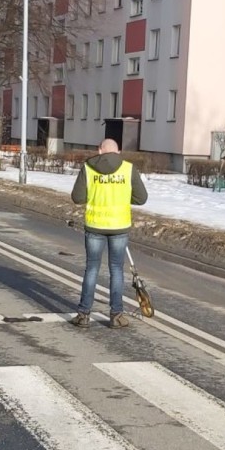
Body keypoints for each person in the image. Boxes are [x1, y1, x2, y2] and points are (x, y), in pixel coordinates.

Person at [70, 138, 148, 329]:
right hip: (119, 226)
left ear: (99, 150)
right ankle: (116, 315)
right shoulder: (128, 169)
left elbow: (77, 197)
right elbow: (141, 198)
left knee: (92, 269)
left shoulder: (88, 168)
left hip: (95, 226)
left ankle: (83, 314)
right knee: (116, 270)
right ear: (118, 151)